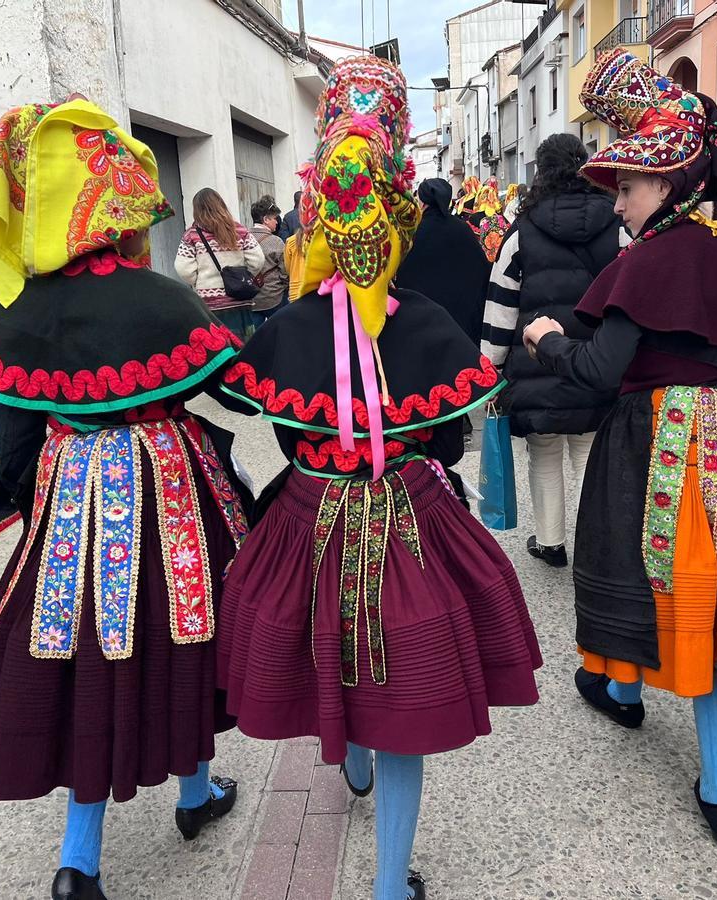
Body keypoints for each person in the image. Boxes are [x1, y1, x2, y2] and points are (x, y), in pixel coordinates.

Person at [214, 56, 542, 900]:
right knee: (403, 691)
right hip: (406, 511)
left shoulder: (289, 326)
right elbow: (446, 439)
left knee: (328, 642)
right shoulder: (427, 324)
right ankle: (391, 886)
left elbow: (285, 436)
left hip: (310, 509)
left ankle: (349, 760)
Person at [522, 49, 717, 845]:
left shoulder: (648, 264)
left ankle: (624, 696)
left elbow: (599, 374)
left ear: (665, 184)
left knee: (632, 568)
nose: (618, 203)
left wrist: (548, 340)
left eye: (626, 186)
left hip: (651, 443)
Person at [0, 99, 252, 900]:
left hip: (68, 490)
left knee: (83, 650)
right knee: (183, 631)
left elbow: (15, 443)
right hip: (171, 486)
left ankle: (80, 860)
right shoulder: (162, 300)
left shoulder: (20, 313)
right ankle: (194, 795)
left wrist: (30, 504)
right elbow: (246, 396)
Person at [480, 133, 620, 568]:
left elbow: (501, 306)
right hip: (598, 361)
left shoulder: (521, 231)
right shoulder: (617, 224)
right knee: (588, 452)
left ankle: (551, 543)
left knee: (544, 454)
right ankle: (593, 547)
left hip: (537, 360)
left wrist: (490, 369)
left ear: (540, 172)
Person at [397, 178, 491, 345]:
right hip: (462, 328)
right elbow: (482, 272)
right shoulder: (462, 229)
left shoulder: (413, 232)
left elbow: (402, 276)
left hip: (423, 325)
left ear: (423, 201)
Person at [175, 187, 265, 304]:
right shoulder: (239, 230)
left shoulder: (191, 235)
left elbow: (184, 270)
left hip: (209, 303)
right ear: (221, 204)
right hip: (239, 298)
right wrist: (244, 275)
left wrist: (201, 281)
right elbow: (258, 260)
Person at [247, 195, 290, 328]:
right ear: (265, 220)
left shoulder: (243, 239)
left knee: (255, 340)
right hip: (274, 298)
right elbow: (285, 271)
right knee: (281, 333)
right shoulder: (276, 241)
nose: (277, 222)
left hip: (252, 298)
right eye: (274, 218)